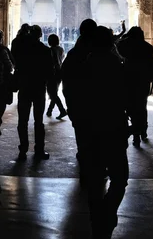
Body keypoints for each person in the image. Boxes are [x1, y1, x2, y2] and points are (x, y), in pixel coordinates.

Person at [80, 25, 129, 239]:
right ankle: (107, 212)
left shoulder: (86, 63)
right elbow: (125, 95)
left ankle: (96, 218)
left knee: (94, 177)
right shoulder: (116, 64)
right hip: (114, 128)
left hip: (91, 129)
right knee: (119, 177)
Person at [61, 18, 98, 183]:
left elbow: (66, 78)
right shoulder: (101, 53)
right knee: (97, 139)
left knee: (82, 138)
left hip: (78, 105)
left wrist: (70, 103)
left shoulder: (74, 53)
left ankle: (85, 170)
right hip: (98, 106)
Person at [11, 24, 54, 160]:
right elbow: (50, 72)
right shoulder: (45, 50)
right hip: (39, 88)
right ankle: (39, 150)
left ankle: (23, 149)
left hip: (24, 87)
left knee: (22, 120)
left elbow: (16, 63)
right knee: (38, 121)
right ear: (41, 35)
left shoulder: (22, 50)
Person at [117, 26, 153, 147]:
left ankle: (136, 135)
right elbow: (152, 63)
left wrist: (126, 36)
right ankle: (143, 131)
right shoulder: (146, 47)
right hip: (143, 81)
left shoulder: (125, 46)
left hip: (128, 81)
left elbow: (117, 42)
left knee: (131, 108)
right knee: (142, 107)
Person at [46, 33, 67, 119]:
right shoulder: (61, 49)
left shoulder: (50, 50)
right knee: (54, 92)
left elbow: (51, 63)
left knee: (52, 93)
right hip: (60, 72)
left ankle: (62, 110)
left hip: (52, 73)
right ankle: (49, 110)